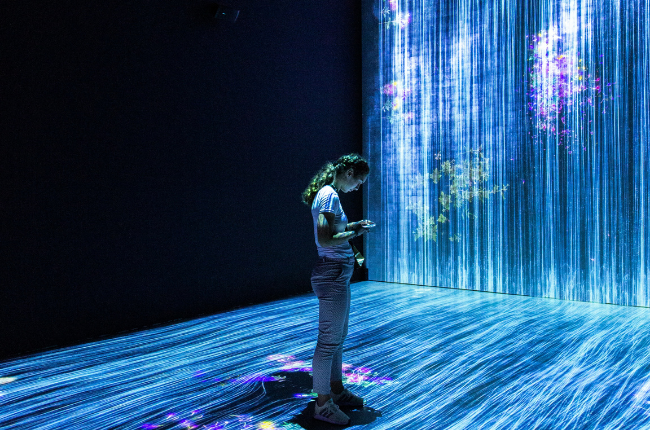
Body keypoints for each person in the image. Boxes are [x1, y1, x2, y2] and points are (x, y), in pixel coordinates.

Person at [301, 153, 374, 425]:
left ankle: (336, 390)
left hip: (337, 273)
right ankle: (323, 404)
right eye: (360, 181)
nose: (358, 187)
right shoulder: (328, 194)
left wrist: (354, 225)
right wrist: (354, 232)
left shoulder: (330, 194)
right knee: (329, 340)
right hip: (331, 273)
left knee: (338, 337)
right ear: (350, 173)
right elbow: (325, 238)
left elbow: (331, 231)